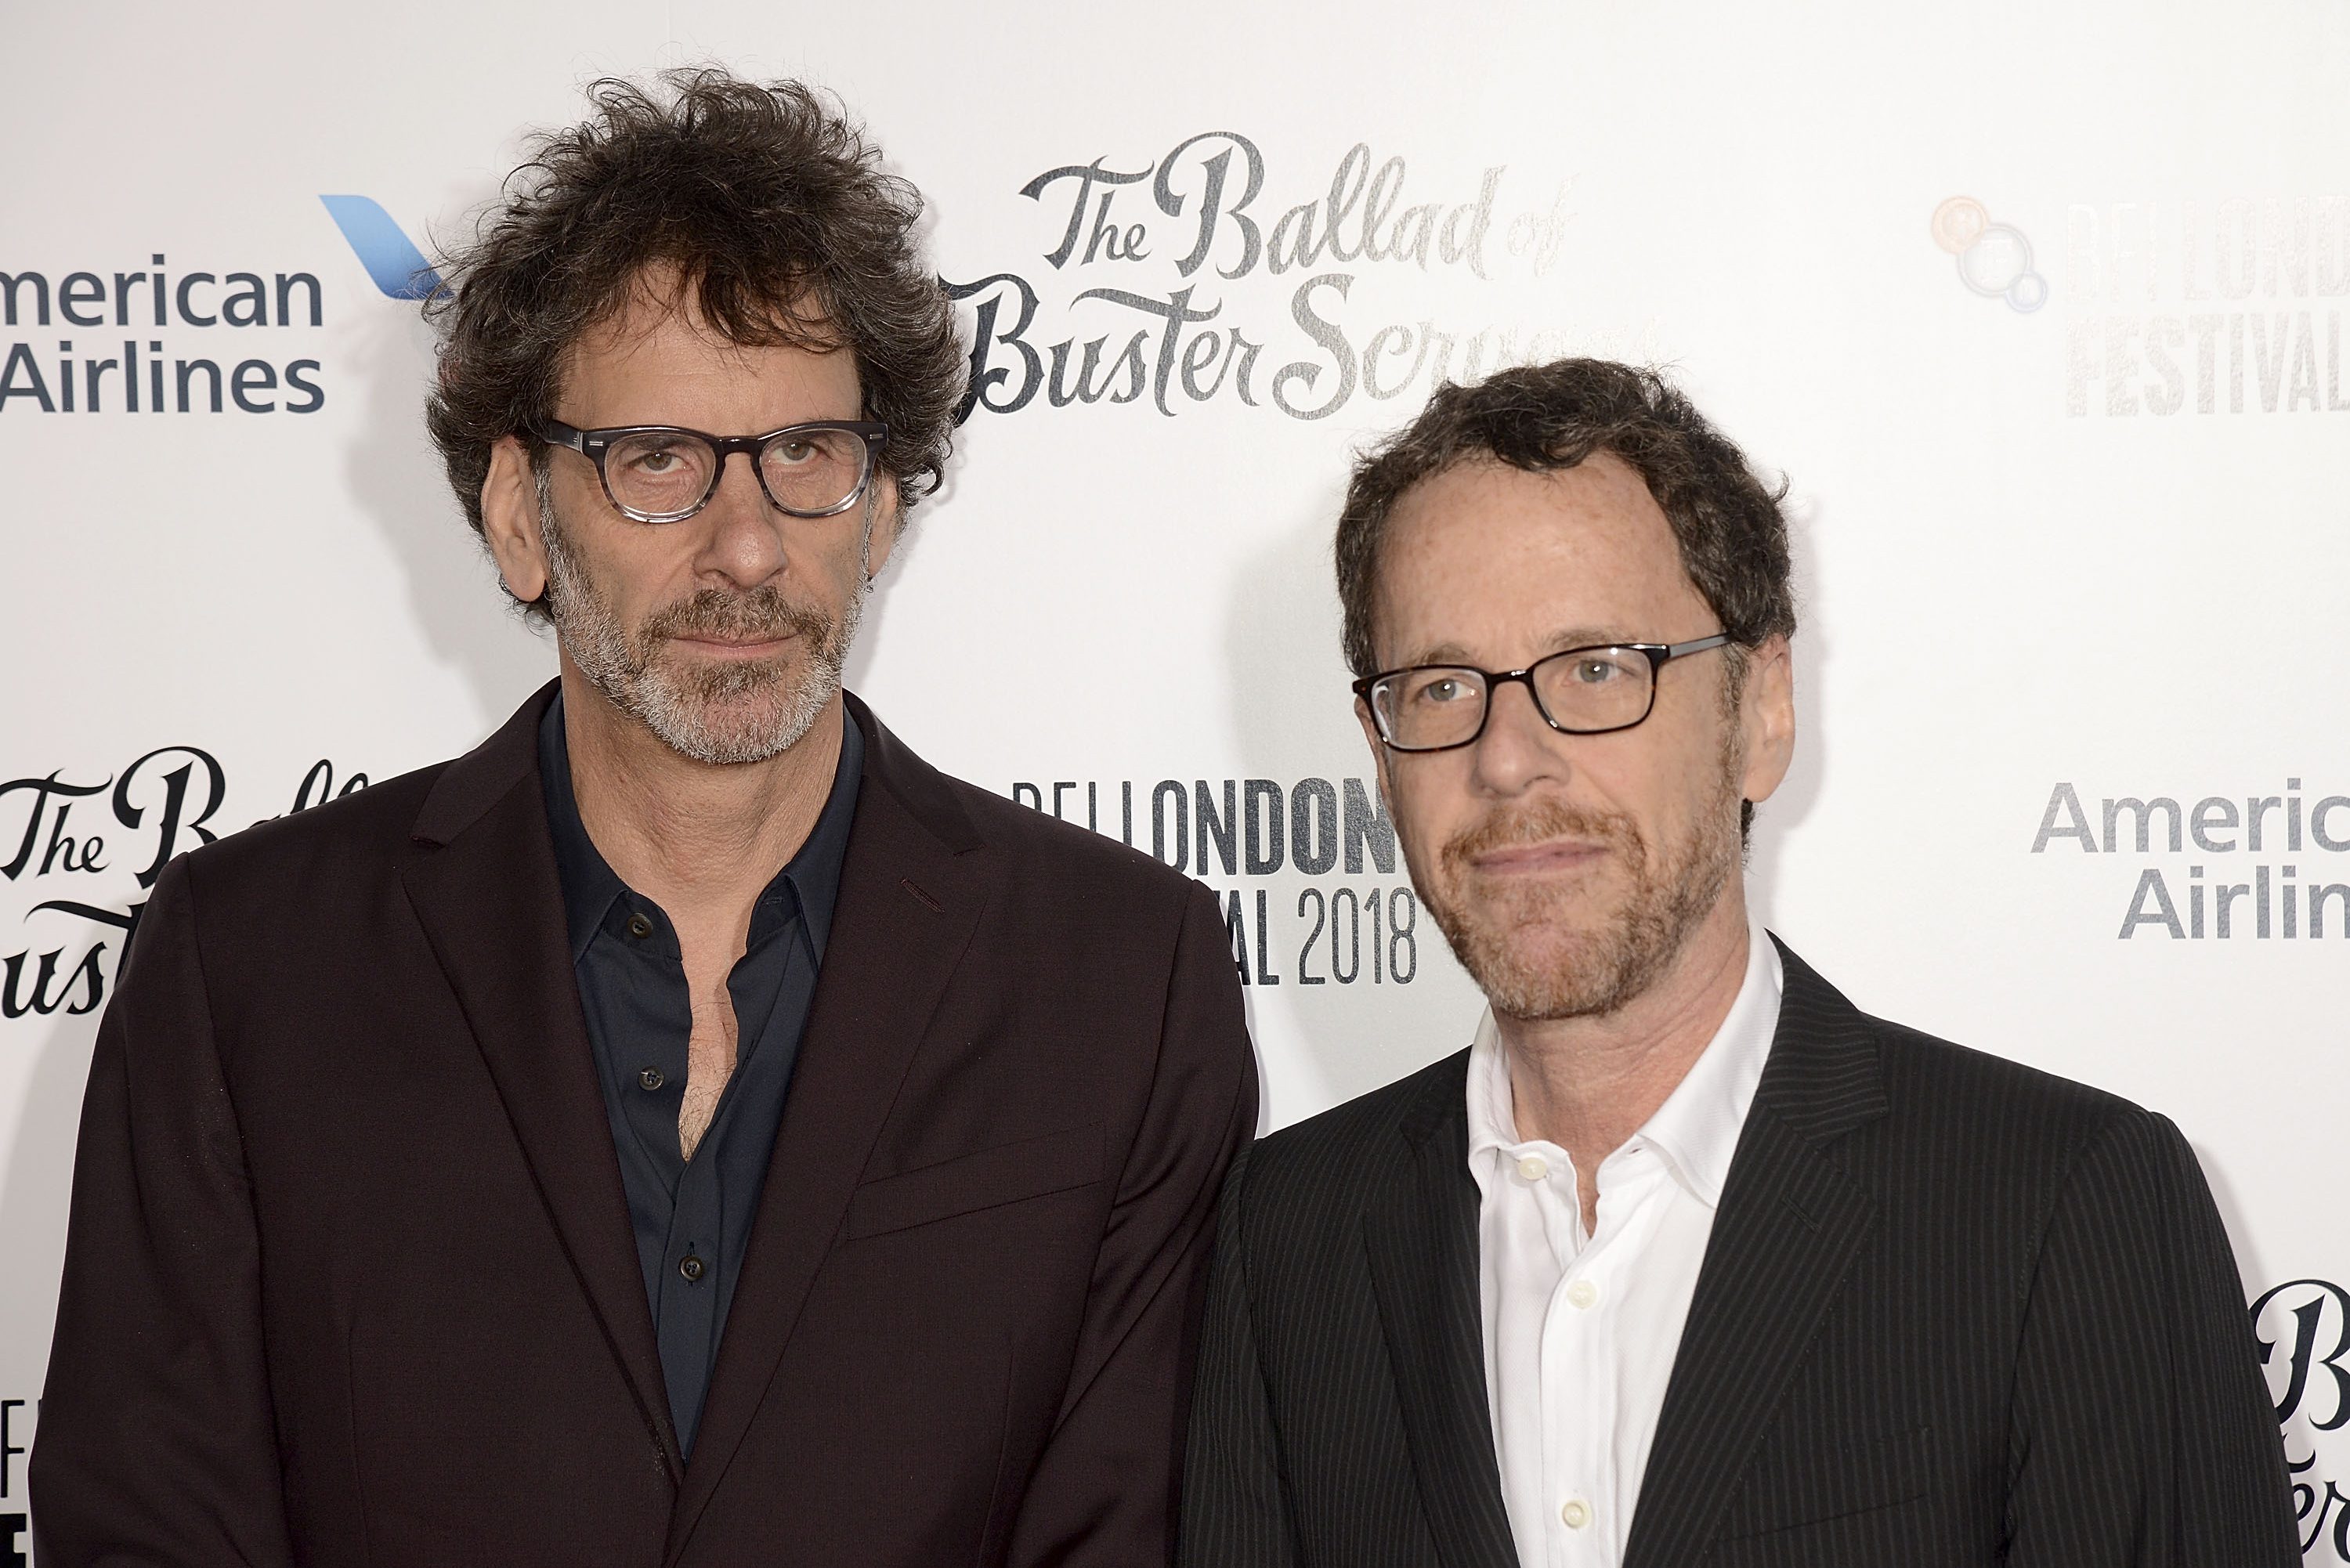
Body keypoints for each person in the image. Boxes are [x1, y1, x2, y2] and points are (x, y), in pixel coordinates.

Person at [33, 70, 1254, 1568]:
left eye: (807, 453)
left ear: (882, 507)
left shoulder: (1122, 977)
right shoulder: (244, 969)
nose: (747, 543)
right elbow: (147, 1530)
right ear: (517, 513)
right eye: (657, 460)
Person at [1180, 359, 2296, 1566]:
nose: (1508, 759)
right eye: (1443, 686)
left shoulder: (2066, 1210)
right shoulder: (1287, 1239)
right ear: (1377, 745)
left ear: (1761, 711)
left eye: (1596, 670)